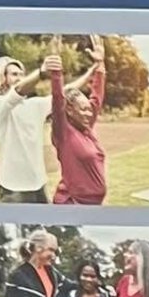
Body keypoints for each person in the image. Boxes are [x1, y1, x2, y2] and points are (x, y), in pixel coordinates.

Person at [45, 43, 109, 206]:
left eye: (89, 109)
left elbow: (97, 98)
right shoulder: (63, 132)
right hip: (72, 204)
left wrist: (100, 64)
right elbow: (58, 99)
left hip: (93, 205)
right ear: (70, 110)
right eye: (83, 109)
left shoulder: (86, 126)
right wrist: (56, 72)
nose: (89, 113)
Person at [0, 57, 53, 203]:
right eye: (14, 74)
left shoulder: (34, 105)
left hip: (39, 186)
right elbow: (16, 92)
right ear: (1, 79)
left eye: (21, 74)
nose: (20, 78)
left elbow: (65, 94)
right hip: (14, 189)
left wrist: (96, 70)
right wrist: (41, 73)